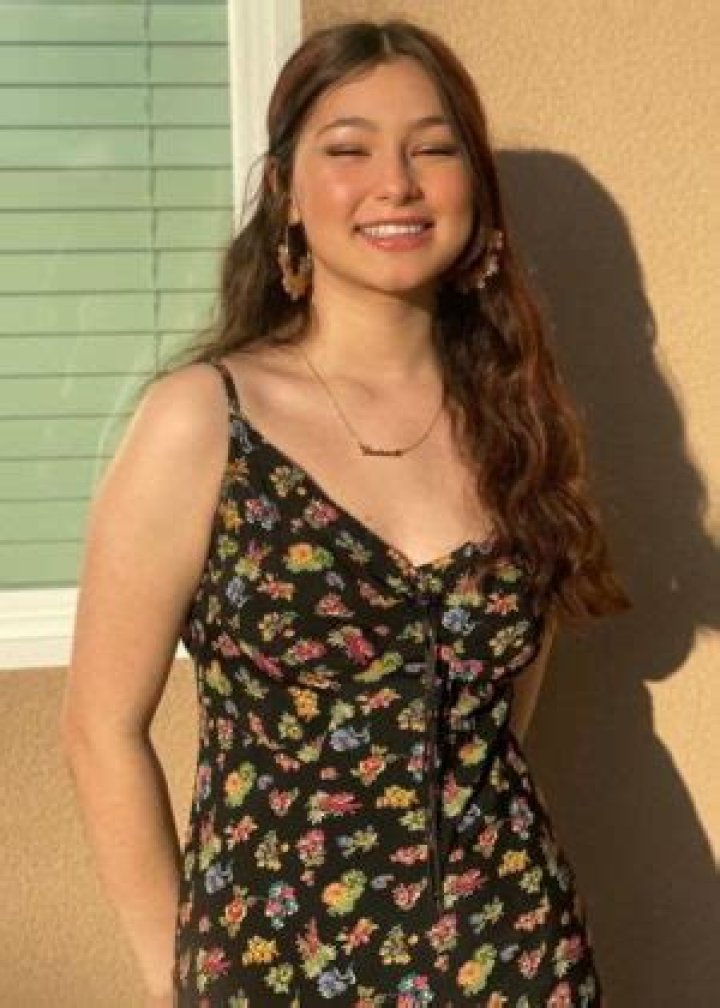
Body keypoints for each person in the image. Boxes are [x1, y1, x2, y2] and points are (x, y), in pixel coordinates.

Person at [61, 17, 630, 1008]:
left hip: (518, 962)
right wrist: (177, 978)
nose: (396, 184)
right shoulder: (205, 420)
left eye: (433, 149)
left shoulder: (516, 426)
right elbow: (100, 728)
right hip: (272, 971)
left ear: (475, 192)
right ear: (288, 189)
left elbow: (501, 719)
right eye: (349, 149)